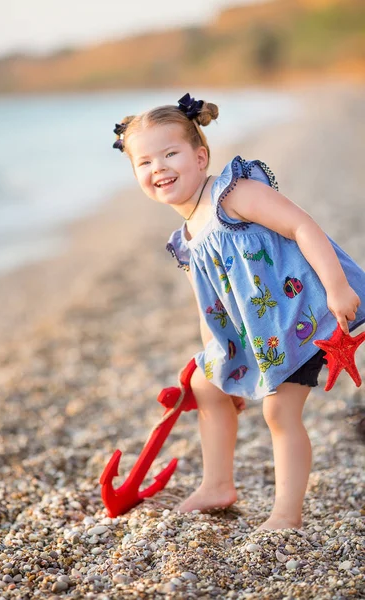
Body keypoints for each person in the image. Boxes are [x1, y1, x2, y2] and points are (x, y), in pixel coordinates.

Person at [112, 93, 365, 531]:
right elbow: (208, 305)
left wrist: (338, 287)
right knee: (202, 383)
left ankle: (286, 516)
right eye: (145, 162)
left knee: (279, 412)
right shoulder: (187, 236)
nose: (159, 168)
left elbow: (302, 226)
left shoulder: (234, 193)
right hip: (258, 331)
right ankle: (217, 485)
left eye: (170, 153)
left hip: (303, 316)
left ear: (200, 155)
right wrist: (217, 360)